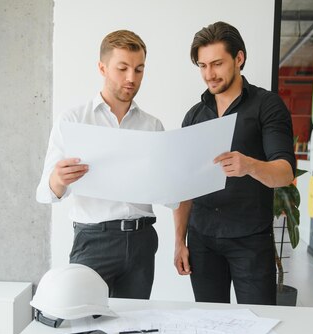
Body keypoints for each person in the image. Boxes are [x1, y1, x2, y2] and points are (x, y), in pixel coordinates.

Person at [173, 21, 296, 305]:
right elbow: (183, 186)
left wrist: (250, 166)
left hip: (250, 241)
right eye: (203, 66)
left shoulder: (267, 106)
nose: (209, 74)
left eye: (216, 64)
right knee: (209, 326)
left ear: (239, 58)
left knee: (259, 326)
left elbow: (285, 173)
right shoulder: (194, 116)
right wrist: (180, 241)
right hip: (202, 240)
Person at [36, 30, 163, 300]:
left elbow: (166, 188)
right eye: (122, 68)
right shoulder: (73, 120)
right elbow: (45, 191)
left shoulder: (153, 126)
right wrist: (58, 178)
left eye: (139, 69)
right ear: (102, 67)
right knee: (85, 321)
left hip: (142, 241)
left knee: (134, 327)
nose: (132, 78)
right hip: (94, 241)